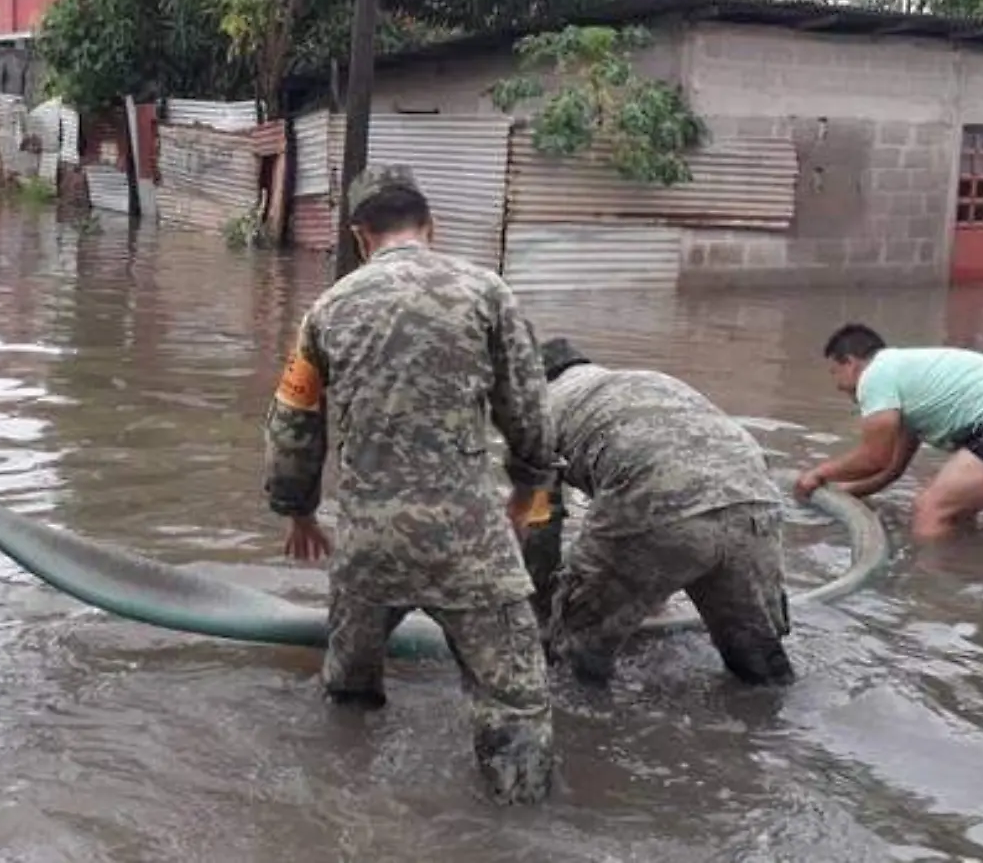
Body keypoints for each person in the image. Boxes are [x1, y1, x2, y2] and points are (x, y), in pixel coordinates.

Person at [261, 164, 558, 806]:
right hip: (469, 541)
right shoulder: (488, 292)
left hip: (369, 544)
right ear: (430, 225)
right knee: (514, 705)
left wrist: (299, 511)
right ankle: (521, 832)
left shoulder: (326, 310)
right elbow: (529, 410)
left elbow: (293, 420)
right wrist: (526, 488)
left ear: (359, 236)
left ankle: (336, 816)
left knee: (347, 695)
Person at [527, 339, 795, 689]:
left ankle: (586, 738)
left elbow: (540, 524)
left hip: (662, 505)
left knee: (572, 656)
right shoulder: (639, 382)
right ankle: (772, 735)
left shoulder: (538, 412)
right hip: (756, 501)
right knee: (760, 662)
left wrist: (544, 612)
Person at [794, 324, 983, 541]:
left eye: (834, 373)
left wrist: (818, 475)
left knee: (931, 509)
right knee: (954, 511)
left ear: (851, 362)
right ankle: (971, 575)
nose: (837, 385)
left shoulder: (876, 374)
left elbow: (873, 458)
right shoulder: (910, 389)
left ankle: (937, 595)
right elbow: (889, 470)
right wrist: (837, 497)